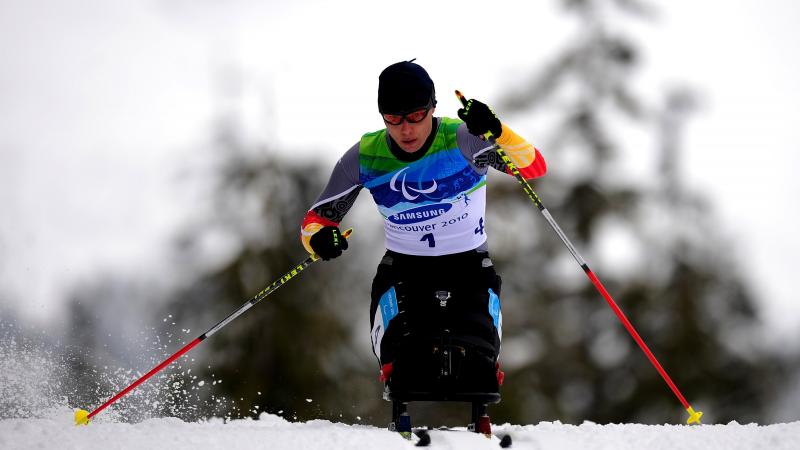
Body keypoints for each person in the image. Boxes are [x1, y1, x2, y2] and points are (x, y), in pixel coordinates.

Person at [299, 60, 546, 433]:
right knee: (403, 363)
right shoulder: (366, 156)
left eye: (415, 115)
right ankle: (400, 404)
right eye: (393, 119)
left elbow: (533, 167)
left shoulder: (462, 138)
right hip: (404, 268)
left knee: (478, 361)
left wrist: (497, 130)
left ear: (432, 108)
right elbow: (317, 219)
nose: (406, 129)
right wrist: (320, 239)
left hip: (468, 264)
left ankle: (479, 414)